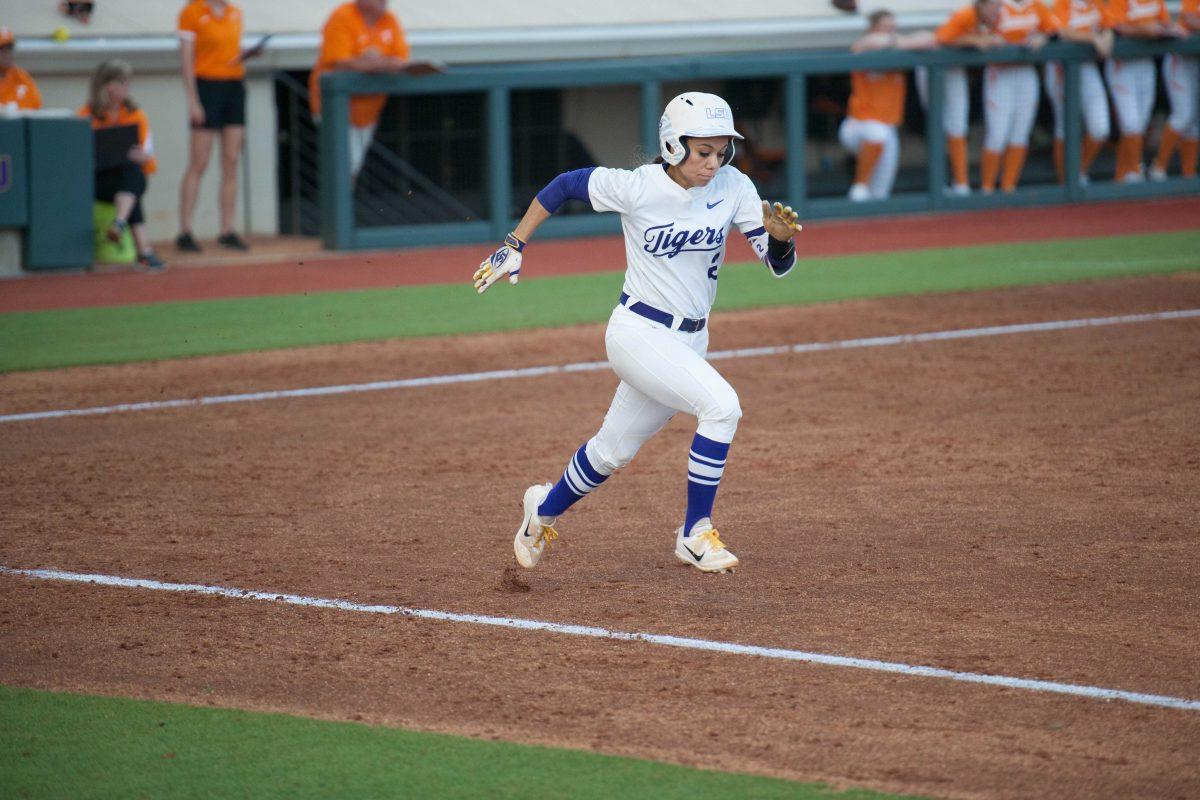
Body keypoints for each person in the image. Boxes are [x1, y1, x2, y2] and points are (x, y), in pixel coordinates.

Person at [472, 92, 803, 574]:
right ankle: (694, 533)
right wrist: (515, 242)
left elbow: (776, 266)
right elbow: (564, 185)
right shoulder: (638, 186)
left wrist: (780, 240)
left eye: (721, 151)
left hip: (690, 341)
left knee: (611, 452)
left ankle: (539, 511)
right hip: (638, 332)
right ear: (672, 145)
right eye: (703, 151)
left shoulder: (734, 186)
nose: (714, 162)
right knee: (722, 407)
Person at [176, 0, 253, 252]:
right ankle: (185, 230)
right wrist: (193, 100)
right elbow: (187, 60)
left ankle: (226, 229)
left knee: (231, 159)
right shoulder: (192, 12)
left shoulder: (235, 13)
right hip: (206, 86)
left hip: (233, 85)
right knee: (200, 160)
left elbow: (229, 50)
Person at [78, 60, 166, 271]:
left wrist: (144, 157)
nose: (126, 88)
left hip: (127, 178)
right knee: (131, 185)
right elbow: (76, 159)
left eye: (127, 82)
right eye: (120, 82)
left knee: (132, 173)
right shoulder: (86, 115)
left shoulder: (135, 114)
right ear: (106, 85)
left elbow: (150, 161)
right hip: (97, 181)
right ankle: (144, 251)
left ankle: (120, 224)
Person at [310, 0, 411, 181]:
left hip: (368, 111)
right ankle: (338, 209)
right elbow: (340, 63)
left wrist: (368, 62)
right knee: (342, 167)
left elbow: (400, 61)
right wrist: (381, 63)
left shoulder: (389, 19)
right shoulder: (343, 16)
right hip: (336, 107)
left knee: (352, 167)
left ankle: (344, 207)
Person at [840, 10, 936, 201]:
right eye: (884, 27)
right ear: (873, 28)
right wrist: (900, 42)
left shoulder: (898, 47)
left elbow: (930, 39)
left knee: (881, 193)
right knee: (877, 133)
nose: (889, 31)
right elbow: (866, 43)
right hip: (858, 125)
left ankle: (867, 217)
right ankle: (859, 186)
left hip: (889, 128)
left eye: (892, 27)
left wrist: (899, 41)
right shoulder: (865, 45)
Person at [919, 0, 1006, 195]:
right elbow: (941, 39)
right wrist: (972, 40)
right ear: (982, 5)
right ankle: (938, 185)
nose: (998, 9)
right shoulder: (965, 14)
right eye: (994, 5)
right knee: (937, 125)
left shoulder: (995, 17)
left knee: (958, 125)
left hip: (955, 69)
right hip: (932, 67)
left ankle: (961, 184)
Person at [1105, 0, 1180, 182]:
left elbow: (1165, 23)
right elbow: (1118, 27)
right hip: (1122, 64)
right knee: (1131, 123)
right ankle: (1134, 172)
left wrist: (1167, 30)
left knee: (1141, 122)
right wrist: (1146, 30)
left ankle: (1122, 176)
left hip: (1145, 62)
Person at [1043, 0, 1115, 184]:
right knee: (1064, 126)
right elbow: (1063, 32)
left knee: (1100, 128)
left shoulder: (1098, 4)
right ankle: (1064, 182)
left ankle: (1077, 172)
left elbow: (1109, 26)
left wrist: (1106, 36)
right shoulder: (1064, 3)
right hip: (1062, 68)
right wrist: (1093, 38)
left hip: (1087, 67)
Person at [1150, 0, 1199, 179]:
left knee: (1194, 123)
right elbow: (1188, 16)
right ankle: (1158, 168)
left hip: (1195, 62)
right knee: (1183, 116)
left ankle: (1189, 174)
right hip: (1180, 59)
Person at [0, 27, 42, 111]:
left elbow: (35, 103)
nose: (7, 53)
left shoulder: (20, 76)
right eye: (1, 49)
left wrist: (6, 109)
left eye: (9, 48)